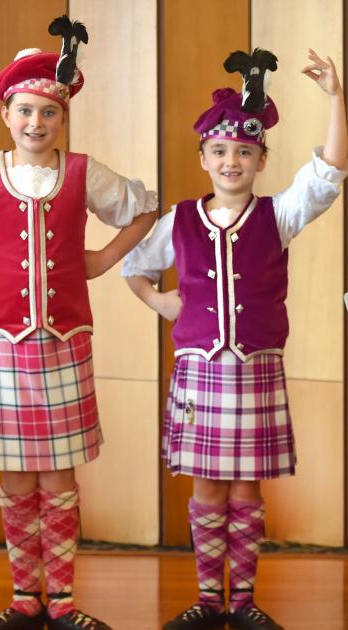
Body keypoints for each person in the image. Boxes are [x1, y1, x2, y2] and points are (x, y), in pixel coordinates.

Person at [0, 14, 157, 630]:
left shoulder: (82, 172)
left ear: (63, 118)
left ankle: (63, 598)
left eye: (49, 112)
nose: (36, 123)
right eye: (25, 111)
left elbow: (144, 208)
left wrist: (101, 259)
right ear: (6, 114)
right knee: (17, 478)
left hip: (65, 342)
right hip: (6, 345)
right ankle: (25, 597)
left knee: (58, 473)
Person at [123, 48, 347, 630]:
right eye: (219, 151)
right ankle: (207, 600)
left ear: (261, 159)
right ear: (203, 158)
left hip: (255, 371)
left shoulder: (278, 216)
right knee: (208, 489)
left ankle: (242, 602)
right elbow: (135, 268)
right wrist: (159, 301)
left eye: (244, 151)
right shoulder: (179, 220)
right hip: (200, 372)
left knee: (245, 489)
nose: (231, 161)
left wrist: (335, 98)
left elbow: (328, 175)